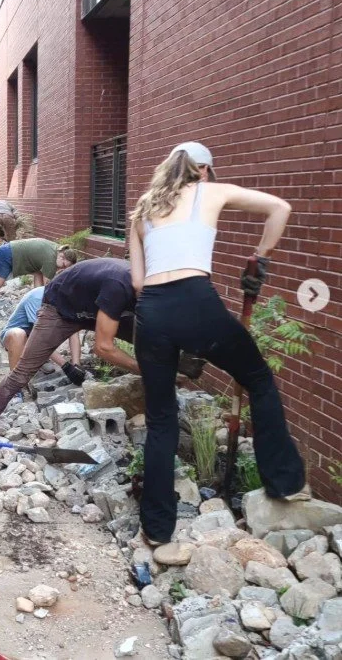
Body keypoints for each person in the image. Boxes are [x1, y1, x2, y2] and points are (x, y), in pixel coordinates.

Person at [129, 141, 307, 546]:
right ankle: (284, 481)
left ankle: (156, 530)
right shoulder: (210, 190)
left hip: (151, 313)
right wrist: (260, 256)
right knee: (258, 379)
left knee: (161, 419)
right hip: (197, 303)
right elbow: (280, 208)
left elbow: (138, 282)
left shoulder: (142, 209)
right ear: (204, 170)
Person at [0, 258, 138, 437]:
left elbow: (79, 335)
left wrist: (76, 364)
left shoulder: (150, 292)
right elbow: (102, 346)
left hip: (91, 308)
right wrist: (141, 368)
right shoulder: (118, 285)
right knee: (21, 374)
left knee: (149, 337)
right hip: (59, 309)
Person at [0, 239, 77, 324]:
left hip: (5, 252)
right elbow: (49, 289)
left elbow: (39, 289)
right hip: (3, 256)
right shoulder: (51, 260)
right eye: (63, 266)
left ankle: (35, 322)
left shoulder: (55, 249)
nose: (62, 269)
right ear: (61, 256)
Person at [0, 286, 84, 384]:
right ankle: (14, 384)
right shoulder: (37, 297)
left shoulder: (66, 299)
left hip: (35, 340)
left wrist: (76, 366)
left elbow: (73, 332)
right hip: (15, 338)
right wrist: (66, 366)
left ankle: (39, 361)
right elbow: (39, 338)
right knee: (18, 334)